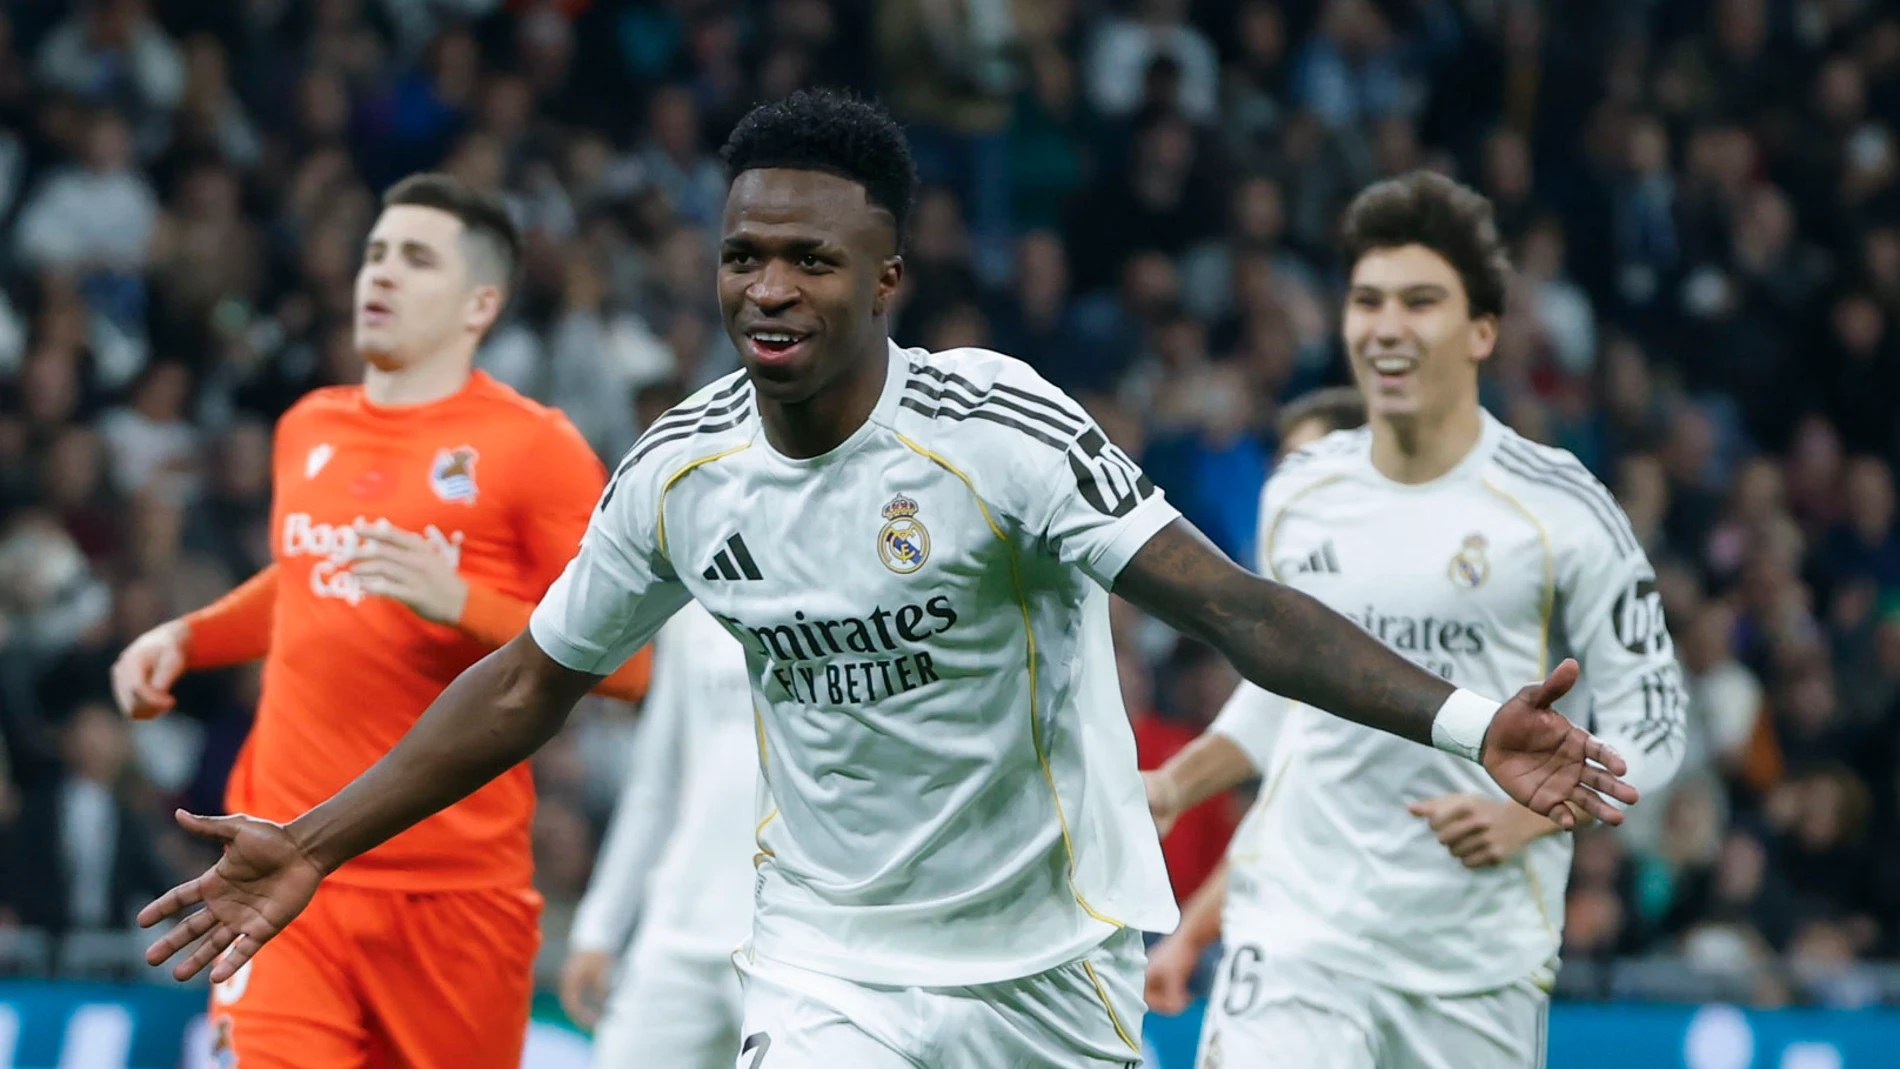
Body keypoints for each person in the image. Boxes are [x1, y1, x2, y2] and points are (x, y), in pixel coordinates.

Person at [135, 92, 1638, 1069]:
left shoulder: (1002, 428)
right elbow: (534, 676)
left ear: (886, 280)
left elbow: (1232, 606)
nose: (768, 290)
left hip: (1050, 951)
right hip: (826, 967)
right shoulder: (684, 468)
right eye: (742, 259)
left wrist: (1462, 721)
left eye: (808, 260)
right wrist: (315, 842)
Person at [1141, 172, 1687, 1069]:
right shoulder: (1299, 492)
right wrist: (1174, 784)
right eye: (1367, 300)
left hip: (1474, 962)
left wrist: (1540, 821)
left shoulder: (1560, 505)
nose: (1387, 325)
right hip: (1299, 935)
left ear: (1481, 331)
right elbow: (1286, 691)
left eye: (1420, 301)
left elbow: (1656, 715)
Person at [108, 173, 653, 1069]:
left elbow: (629, 666)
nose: (382, 274)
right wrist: (189, 637)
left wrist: (462, 603)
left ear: (482, 300)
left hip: (455, 895)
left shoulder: (537, 449)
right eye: (375, 253)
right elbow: (307, 579)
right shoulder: (307, 425)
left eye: (415, 257)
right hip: (282, 869)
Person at [557, 600, 758, 1069]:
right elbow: (656, 780)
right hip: (680, 924)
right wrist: (599, 927)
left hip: (797, 936)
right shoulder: (698, 603)